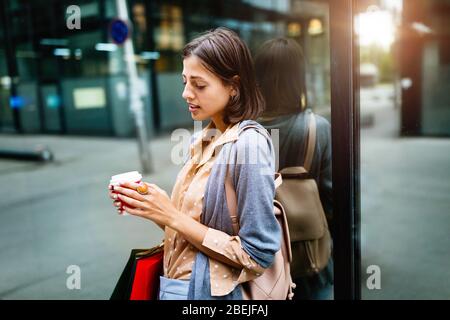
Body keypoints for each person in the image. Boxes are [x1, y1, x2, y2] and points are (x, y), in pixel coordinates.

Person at [108, 27, 281, 300]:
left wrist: (171, 215)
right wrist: (154, 207)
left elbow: (257, 254)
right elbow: (189, 233)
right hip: (176, 287)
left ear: (234, 86)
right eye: (184, 82)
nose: (186, 93)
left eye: (199, 85)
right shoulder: (205, 138)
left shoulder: (250, 145)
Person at [255, 37, 334, 300]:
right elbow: (335, 201)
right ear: (299, 79)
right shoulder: (317, 128)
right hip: (310, 264)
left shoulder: (242, 132)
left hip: (258, 271)